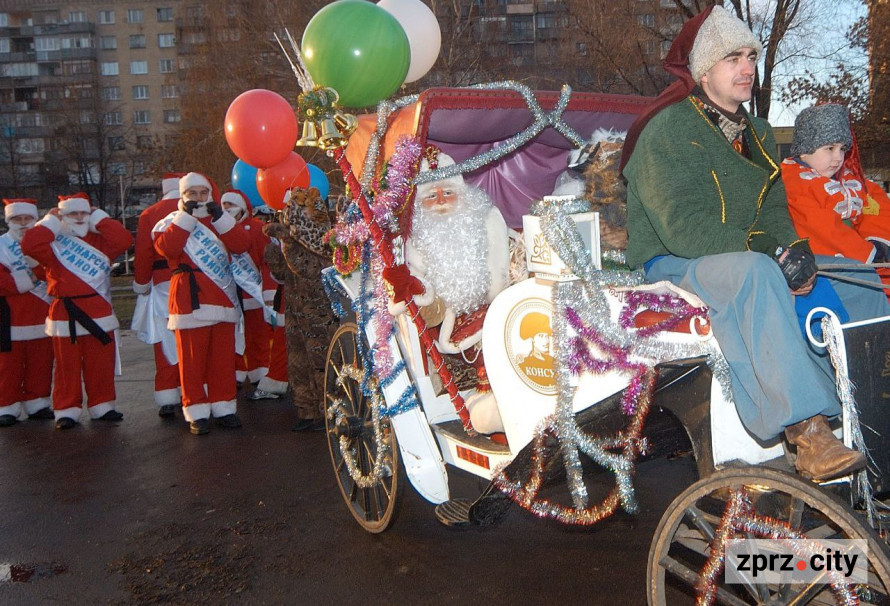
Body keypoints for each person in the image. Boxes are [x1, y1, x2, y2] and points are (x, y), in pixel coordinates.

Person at [619, 5, 890, 481]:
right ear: (705, 71)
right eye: (733, 59)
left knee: (859, 278)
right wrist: (770, 250)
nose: (748, 67)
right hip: (674, 263)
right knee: (758, 272)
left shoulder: (757, 133)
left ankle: (866, 411)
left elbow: (773, 210)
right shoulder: (667, 132)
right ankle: (807, 430)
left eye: (751, 55)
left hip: (747, 252)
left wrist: (795, 249)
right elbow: (684, 227)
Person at [386, 145, 511, 434]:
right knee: (485, 336)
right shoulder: (415, 237)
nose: (441, 201)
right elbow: (413, 281)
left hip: (490, 299)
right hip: (446, 314)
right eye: (431, 196)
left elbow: (500, 265)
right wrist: (424, 294)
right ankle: (487, 404)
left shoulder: (484, 219)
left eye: (448, 192)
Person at [22, 193, 133, 429]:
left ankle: (103, 405)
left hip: (97, 309)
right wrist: (50, 222)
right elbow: (29, 244)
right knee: (66, 367)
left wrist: (99, 217)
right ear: (63, 216)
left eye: (84, 213)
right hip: (65, 311)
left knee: (100, 364)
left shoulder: (100, 240)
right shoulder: (53, 243)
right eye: (73, 213)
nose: (80, 218)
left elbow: (123, 240)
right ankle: (66, 409)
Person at [153, 173, 252, 435]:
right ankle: (196, 411)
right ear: (182, 196)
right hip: (189, 299)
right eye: (192, 193)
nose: (198, 198)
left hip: (221, 297)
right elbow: (168, 249)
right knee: (192, 362)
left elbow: (242, 245)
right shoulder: (171, 222)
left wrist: (221, 218)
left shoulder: (219, 220)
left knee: (222, 360)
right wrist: (185, 218)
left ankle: (224, 408)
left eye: (202, 193)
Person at [782, 103, 890, 294]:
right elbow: (819, 226)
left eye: (842, 149)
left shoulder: (851, 180)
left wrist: (879, 242)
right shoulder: (793, 182)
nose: (838, 157)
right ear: (804, 151)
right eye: (829, 148)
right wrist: (868, 253)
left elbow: (875, 207)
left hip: (868, 263)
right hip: (831, 269)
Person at [132, 172, 186, 418]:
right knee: (192, 340)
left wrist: (142, 282)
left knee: (164, 342)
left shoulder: (149, 213)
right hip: (191, 280)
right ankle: (193, 391)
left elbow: (143, 253)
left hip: (162, 282)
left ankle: (167, 394)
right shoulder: (194, 209)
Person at [0, 198, 53, 426]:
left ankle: (38, 402)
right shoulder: (1, 246)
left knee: (41, 361)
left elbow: (53, 272)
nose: (23, 223)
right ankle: (6, 406)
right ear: (8, 221)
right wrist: (30, 277)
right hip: (9, 315)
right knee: (7, 365)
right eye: (17, 219)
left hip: (42, 311)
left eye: (27, 219)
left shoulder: (44, 244)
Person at [219, 190, 276, 394]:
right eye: (223, 205)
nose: (226, 209)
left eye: (231, 205)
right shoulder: (216, 231)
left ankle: (259, 371)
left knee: (257, 335)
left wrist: (269, 292)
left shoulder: (259, 229)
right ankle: (235, 371)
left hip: (252, 292)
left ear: (243, 208)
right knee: (230, 337)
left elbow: (268, 262)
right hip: (227, 293)